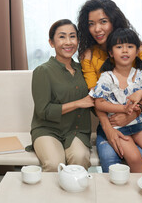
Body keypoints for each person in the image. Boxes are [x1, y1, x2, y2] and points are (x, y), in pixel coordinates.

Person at [77, 0, 142, 172]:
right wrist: (109, 129)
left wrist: (130, 115)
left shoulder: (137, 50)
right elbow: (95, 97)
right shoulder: (89, 56)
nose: (97, 29)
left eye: (103, 21)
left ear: (114, 21)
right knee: (110, 160)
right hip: (110, 121)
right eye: (91, 24)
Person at [89, 28, 142, 172]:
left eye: (130, 47)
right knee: (134, 157)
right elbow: (99, 103)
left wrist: (141, 94)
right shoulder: (107, 77)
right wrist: (123, 109)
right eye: (119, 47)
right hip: (118, 128)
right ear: (111, 52)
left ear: (136, 52)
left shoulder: (141, 75)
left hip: (140, 124)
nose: (124, 51)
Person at [30, 19, 95, 172]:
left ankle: (75, 194)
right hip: (47, 130)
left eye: (72, 36)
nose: (68, 42)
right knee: (54, 164)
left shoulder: (83, 70)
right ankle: (51, 196)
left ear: (78, 41)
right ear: (51, 43)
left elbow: (94, 101)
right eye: (62, 37)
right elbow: (43, 111)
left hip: (77, 131)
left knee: (80, 158)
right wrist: (78, 103)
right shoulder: (42, 71)